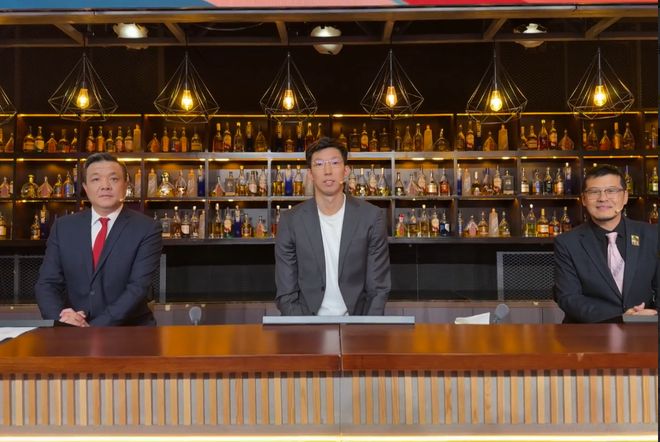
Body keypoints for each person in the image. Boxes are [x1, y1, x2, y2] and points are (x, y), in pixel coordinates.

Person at [35, 153, 162, 326]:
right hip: (73, 329)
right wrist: (61, 318)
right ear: (85, 188)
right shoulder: (63, 227)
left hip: (129, 330)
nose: (105, 186)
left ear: (125, 185)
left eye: (114, 179)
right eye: (96, 179)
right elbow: (47, 283)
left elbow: (137, 288)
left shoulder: (147, 228)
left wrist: (93, 327)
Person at [275, 137, 391, 315]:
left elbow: (378, 289)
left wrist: (365, 328)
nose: (327, 171)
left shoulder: (371, 217)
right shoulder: (290, 221)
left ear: (346, 171)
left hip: (356, 323)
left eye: (335, 163)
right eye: (319, 164)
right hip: (307, 323)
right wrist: (302, 328)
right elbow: (286, 292)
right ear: (310, 174)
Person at [554, 164, 658, 323]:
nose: (603, 198)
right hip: (589, 331)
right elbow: (568, 298)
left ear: (625, 197)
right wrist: (622, 318)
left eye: (611, 191)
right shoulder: (567, 243)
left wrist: (654, 313)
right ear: (583, 199)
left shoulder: (652, 235)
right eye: (594, 192)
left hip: (644, 328)